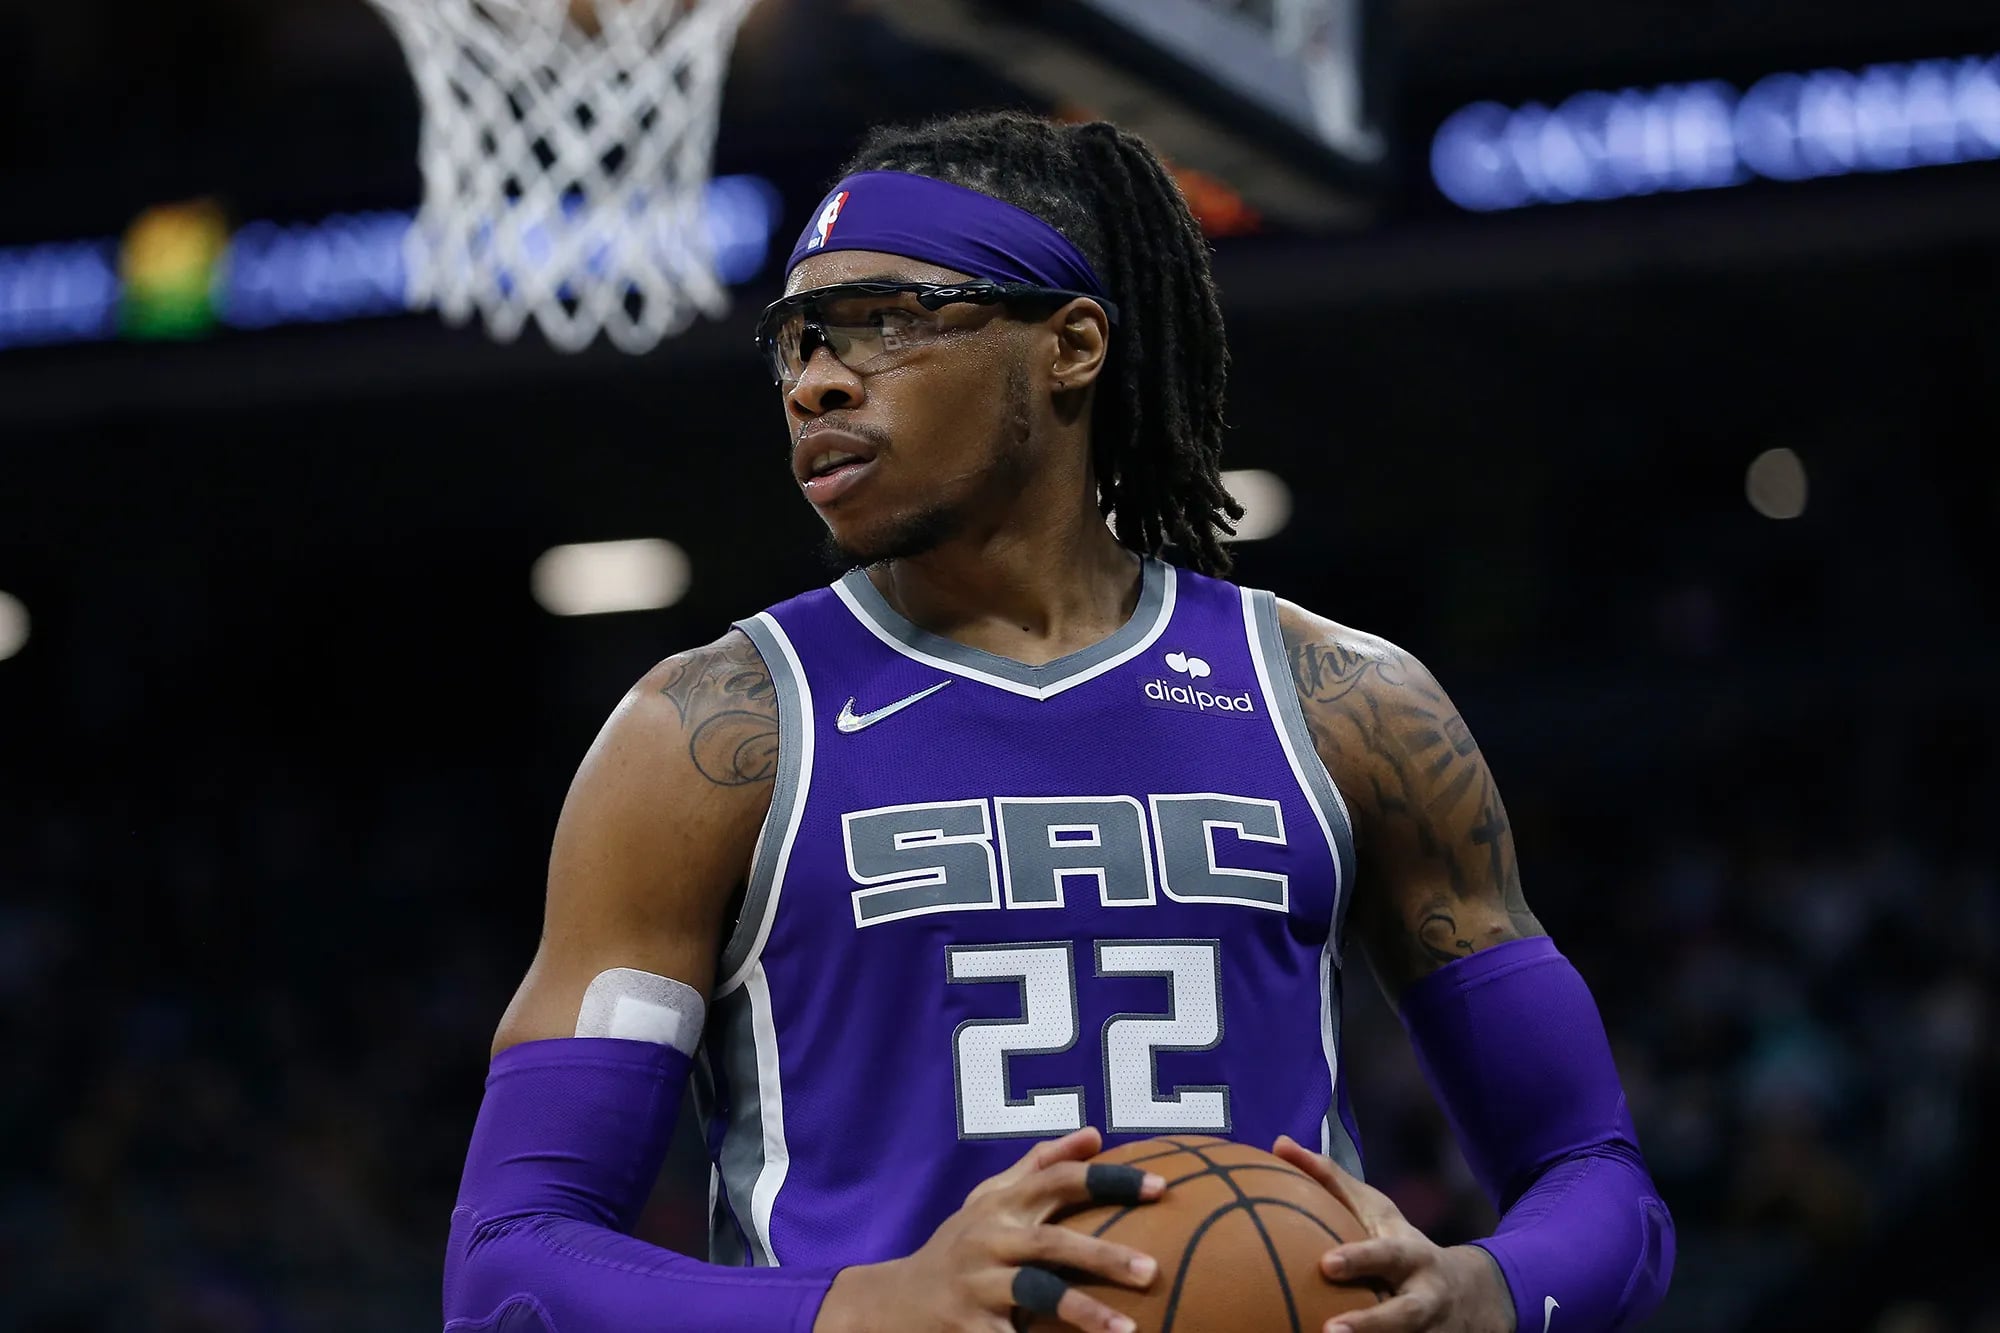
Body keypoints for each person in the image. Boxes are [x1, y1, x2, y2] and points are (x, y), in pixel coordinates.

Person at [440, 111, 1675, 1333]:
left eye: (884, 321)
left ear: (1070, 345)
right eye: (796, 341)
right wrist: (868, 1305)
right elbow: (509, 1264)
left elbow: (1597, 1176)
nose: (815, 380)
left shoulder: (1344, 702)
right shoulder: (704, 736)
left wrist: (1488, 1291)